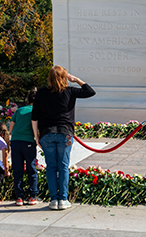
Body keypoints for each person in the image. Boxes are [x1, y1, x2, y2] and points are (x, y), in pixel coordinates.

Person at [31, 65, 96, 211]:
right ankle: (63, 199)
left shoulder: (41, 93)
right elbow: (90, 91)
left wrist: (36, 136)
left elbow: (34, 117)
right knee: (63, 166)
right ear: (64, 77)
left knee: (51, 167)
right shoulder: (70, 91)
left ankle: (54, 199)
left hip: (46, 133)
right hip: (65, 133)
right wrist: (76, 79)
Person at [9, 88, 39, 206]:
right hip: (29, 142)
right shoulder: (37, 111)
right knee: (31, 169)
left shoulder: (19, 110)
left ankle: (19, 197)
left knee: (17, 170)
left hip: (16, 141)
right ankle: (32, 196)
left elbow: (11, 128)